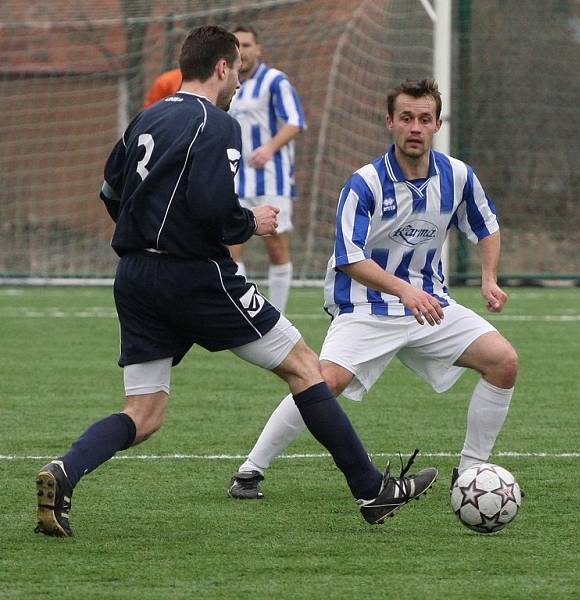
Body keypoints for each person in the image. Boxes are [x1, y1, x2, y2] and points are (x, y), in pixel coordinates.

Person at [33, 27, 436, 538]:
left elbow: (111, 192)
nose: (239, 81)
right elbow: (210, 207)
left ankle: (65, 471)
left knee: (144, 412)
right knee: (305, 367)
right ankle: (371, 490)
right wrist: (251, 223)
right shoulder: (217, 124)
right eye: (237, 71)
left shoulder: (147, 116)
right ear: (222, 67)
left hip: (134, 275)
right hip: (196, 274)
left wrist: (149, 231)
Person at [228, 78, 518, 501]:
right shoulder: (364, 183)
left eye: (424, 118)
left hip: (430, 305)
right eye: (406, 118)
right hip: (364, 305)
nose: (415, 127)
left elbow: (486, 225)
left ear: (437, 124)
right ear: (390, 123)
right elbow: (349, 256)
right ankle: (250, 471)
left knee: (504, 363)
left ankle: (471, 474)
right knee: (321, 382)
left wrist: (489, 277)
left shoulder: (458, 176)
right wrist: (404, 290)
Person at [226, 25, 306, 314]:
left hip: (272, 181)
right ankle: (243, 314)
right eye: (238, 46)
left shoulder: (274, 81)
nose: (243, 51)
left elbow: (295, 121)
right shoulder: (228, 84)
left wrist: (269, 148)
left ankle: (279, 316)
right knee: (230, 248)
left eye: (248, 45)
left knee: (276, 248)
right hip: (235, 182)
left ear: (258, 49)